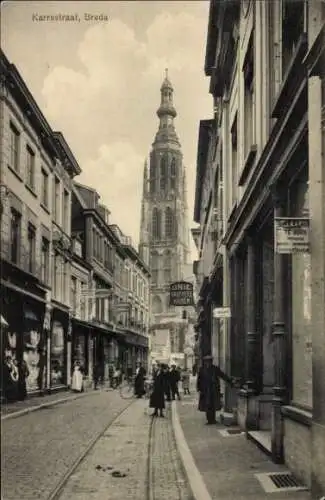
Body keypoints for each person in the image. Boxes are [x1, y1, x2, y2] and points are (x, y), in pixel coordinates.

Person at [197, 355, 235, 425]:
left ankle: (213, 420)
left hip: (213, 389)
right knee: (207, 405)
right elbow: (199, 379)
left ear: (211, 361)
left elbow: (222, 375)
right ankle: (209, 420)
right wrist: (199, 388)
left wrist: (230, 381)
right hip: (205, 390)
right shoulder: (202, 369)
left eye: (209, 361)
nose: (208, 363)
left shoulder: (215, 369)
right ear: (205, 362)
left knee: (213, 404)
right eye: (207, 361)